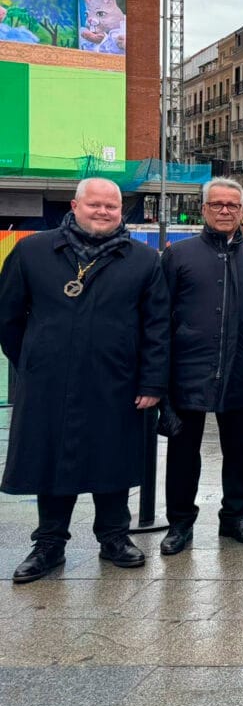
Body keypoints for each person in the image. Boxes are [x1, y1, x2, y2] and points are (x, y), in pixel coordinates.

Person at [1, 178, 170, 583]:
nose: (103, 212)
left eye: (111, 207)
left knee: (111, 457)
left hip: (116, 380)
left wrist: (151, 383)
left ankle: (114, 536)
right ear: (74, 206)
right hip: (48, 382)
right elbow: (7, 317)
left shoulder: (143, 261)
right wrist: (33, 359)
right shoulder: (31, 251)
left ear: (121, 211)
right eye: (94, 205)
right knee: (50, 459)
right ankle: (49, 544)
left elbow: (157, 327)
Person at [159, 177, 243, 555]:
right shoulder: (178, 255)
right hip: (187, 369)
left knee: (239, 450)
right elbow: (160, 314)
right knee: (182, 452)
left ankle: (235, 518)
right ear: (205, 209)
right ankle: (180, 523)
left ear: (242, 211)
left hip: (240, 367)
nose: (225, 210)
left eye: (232, 205)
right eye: (217, 204)